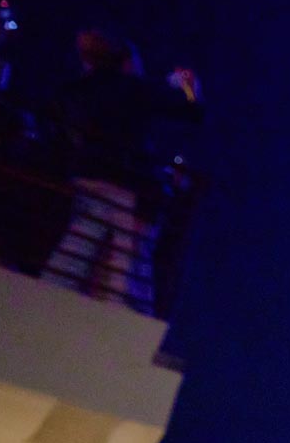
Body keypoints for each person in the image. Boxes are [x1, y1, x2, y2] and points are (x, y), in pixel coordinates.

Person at [42, 27, 202, 307]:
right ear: (124, 61)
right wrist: (188, 86)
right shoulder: (132, 88)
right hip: (122, 181)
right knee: (125, 260)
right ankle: (117, 314)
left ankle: (45, 298)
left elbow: (54, 128)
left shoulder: (74, 90)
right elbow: (191, 110)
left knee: (77, 246)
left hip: (85, 175)